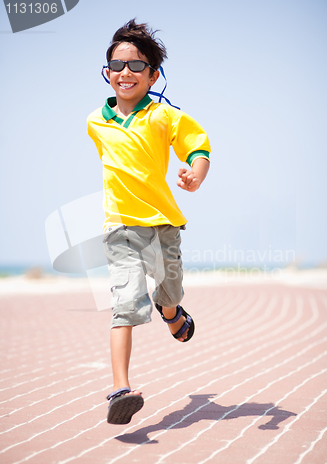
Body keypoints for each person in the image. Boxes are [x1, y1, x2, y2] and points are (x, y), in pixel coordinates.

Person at [87, 19, 210, 425]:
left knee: (169, 288)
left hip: (163, 224)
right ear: (107, 73)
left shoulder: (163, 116)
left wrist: (197, 170)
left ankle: (172, 311)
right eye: (117, 65)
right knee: (124, 304)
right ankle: (122, 388)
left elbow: (197, 144)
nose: (126, 73)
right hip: (119, 227)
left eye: (136, 66)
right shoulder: (95, 122)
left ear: (153, 74)